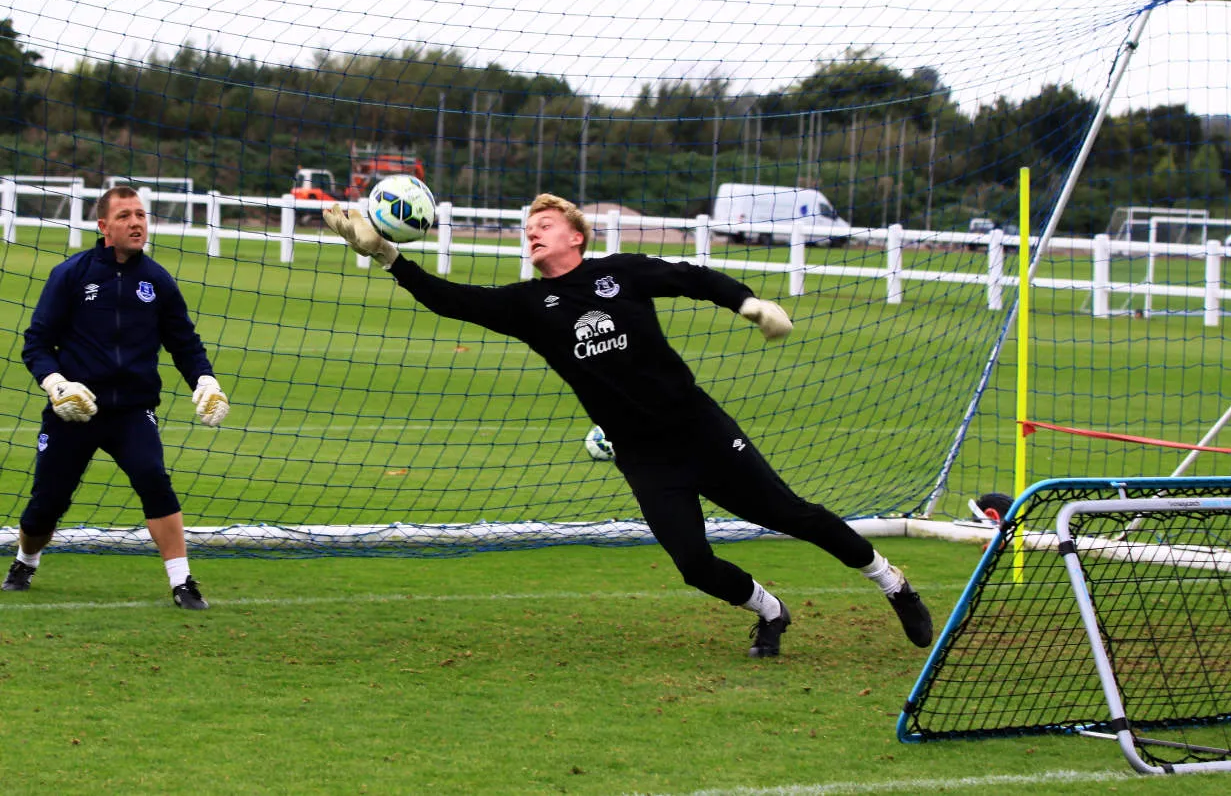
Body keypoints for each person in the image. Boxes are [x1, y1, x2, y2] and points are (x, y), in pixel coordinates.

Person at [322, 194, 931, 657]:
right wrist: (388, 257)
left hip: (701, 430)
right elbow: (450, 299)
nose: (531, 232)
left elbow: (692, 278)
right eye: (527, 228)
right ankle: (771, 611)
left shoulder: (623, 272)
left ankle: (893, 583)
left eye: (544, 225)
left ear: (576, 236)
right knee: (693, 564)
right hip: (645, 457)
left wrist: (749, 304)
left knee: (793, 515)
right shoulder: (527, 307)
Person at [4, 186, 230, 609]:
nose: (136, 223)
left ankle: (183, 583)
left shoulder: (158, 281)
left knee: (153, 479)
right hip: (74, 412)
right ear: (104, 226)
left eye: (141, 215)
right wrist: (57, 385)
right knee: (46, 506)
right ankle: (25, 559)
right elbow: (36, 343)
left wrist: (206, 381)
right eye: (125, 215)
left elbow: (184, 343)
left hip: (132, 410)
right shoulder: (71, 274)